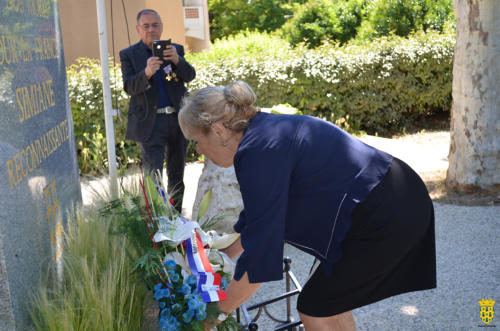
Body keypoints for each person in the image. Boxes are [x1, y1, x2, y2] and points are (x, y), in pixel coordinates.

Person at [178, 81, 436, 330]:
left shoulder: (258, 152)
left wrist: (213, 315)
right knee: (328, 302)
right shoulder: (262, 133)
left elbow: (260, 255)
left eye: (196, 141)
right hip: (397, 194)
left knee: (316, 306)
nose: (198, 150)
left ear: (219, 131)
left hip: (385, 211)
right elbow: (260, 219)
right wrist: (221, 255)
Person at [119, 9, 196, 213]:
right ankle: (157, 219)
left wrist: (178, 61)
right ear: (138, 29)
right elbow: (129, 87)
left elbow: (190, 76)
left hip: (178, 120)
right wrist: (146, 72)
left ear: (161, 27)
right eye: (146, 26)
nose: (151, 29)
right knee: (153, 174)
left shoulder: (175, 49)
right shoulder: (129, 55)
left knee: (177, 172)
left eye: (155, 25)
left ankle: (176, 217)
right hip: (151, 123)